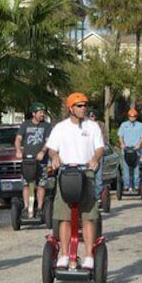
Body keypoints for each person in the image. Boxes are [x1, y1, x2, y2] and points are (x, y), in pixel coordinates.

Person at [45, 92, 105, 269]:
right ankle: (64, 254)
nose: (83, 108)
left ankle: (88, 256)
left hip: (86, 174)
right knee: (64, 218)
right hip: (66, 174)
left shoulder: (92, 126)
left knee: (87, 217)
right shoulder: (60, 128)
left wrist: (95, 159)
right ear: (70, 108)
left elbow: (100, 148)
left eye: (85, 105)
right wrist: (54, 157)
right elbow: (52, 149)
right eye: (79, 106)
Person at [14, 102, 53, 218]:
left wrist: (42, 151)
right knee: (26, 184)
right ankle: (27, 208)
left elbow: (48, 141)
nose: (42, 114)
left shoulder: (46, 126)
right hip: (27, 161)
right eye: (40, 112)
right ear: (34, 114)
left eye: (43, 112)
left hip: (41, 161)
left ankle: (40, 208)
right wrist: (18, 150)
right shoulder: (25, 125)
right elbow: (18, 139)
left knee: (41, 184)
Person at [118, 108, 142, 193]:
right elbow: (120, 136)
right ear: (128, 116)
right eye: (130, 116)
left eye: (134, 116)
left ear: (136, 117)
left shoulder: (140, 125)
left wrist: (139, 145)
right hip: (126, 149)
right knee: (125, 168)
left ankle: (136, 185)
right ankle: (126, 185)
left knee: (136, 167)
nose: (132, 118)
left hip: (136, 149)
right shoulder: (123, 125)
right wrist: (122, 144)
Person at [87, 109, 109, 201]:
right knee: (87, 176)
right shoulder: (84, 125)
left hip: (98, 154)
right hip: (87, 155)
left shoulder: (101, 125)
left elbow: (104, 139)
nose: (92, 117)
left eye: (93, 116)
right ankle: (88, 197)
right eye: (90, 116)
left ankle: (97, 197)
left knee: (98, 177)